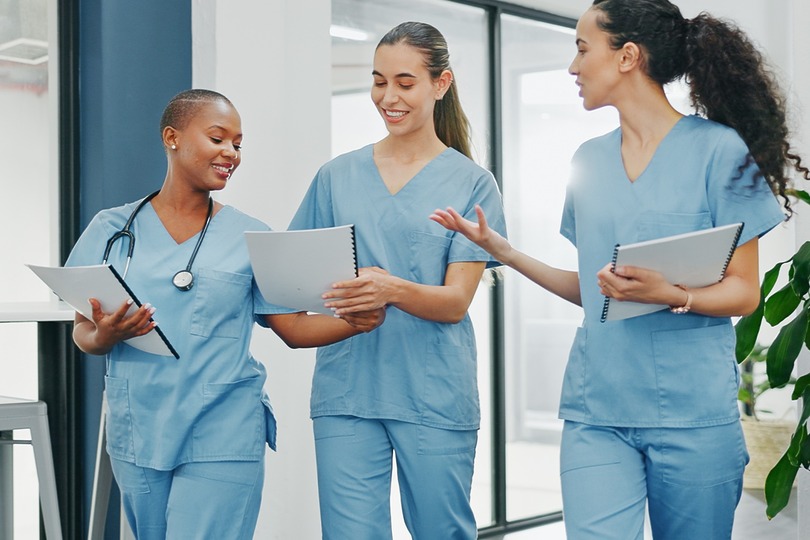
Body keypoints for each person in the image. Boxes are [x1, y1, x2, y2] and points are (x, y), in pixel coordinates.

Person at [431, 1, 810, 539]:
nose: (573, 66)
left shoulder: (720, 152)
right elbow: (593, 290)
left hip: (693, 414)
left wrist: (672, 292)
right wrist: (505, 252)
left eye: (583, 48)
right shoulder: (587, 160)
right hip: (597, 410)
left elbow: (745, 293)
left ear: (628, 56)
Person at [66, 89, 384, 539]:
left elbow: (292, 328)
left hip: (223, 429)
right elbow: (84, 332)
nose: (231, 153)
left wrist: (354, 322)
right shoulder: (112, 228)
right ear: (172, 137)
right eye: (218, 138)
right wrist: (106, 335)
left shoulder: (250, 235)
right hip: (138, 426)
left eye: (238, 144)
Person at [276, 21, 506, 539]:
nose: (388, 96)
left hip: (433, 392)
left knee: (441, 532)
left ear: (440, 84)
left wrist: (391, 288)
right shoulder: (336, 176)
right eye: (380, 81)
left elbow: (455, 302)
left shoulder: (471, 182)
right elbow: (290, 283)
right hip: (347, 392)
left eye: (405, 82)